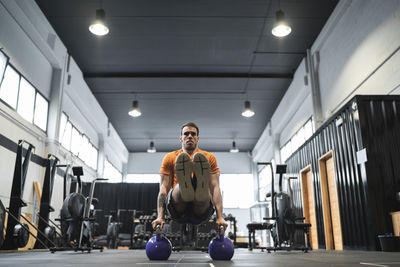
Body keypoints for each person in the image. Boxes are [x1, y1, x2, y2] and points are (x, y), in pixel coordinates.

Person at [152, 122, 227, 231]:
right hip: (178, 207)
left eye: (193, 134)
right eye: (186, 134)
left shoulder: (208, 158)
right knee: (180, 188)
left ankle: (195, 185)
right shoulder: (170, 157)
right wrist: (160, 216)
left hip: (197, 209)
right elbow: (163, 188)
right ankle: (187, 185)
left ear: (198, 138)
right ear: (181, 138)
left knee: (203, 191)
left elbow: (215, 187)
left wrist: (220, 217)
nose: (190, 136)